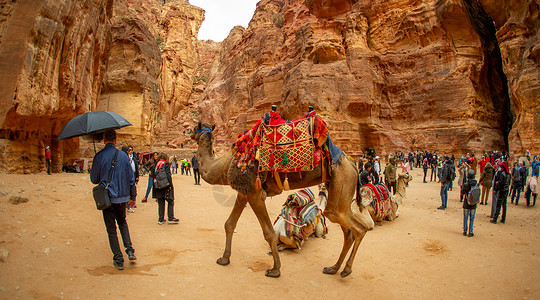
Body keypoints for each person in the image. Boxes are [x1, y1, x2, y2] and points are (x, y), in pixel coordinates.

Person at [90, 129, 136, 270]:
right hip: (122, 198)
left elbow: (94, 179)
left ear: (104, 140)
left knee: (111, 229)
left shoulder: (99, 156)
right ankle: (129, 250)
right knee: (122, 222)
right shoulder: (123, 156)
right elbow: (131, 178)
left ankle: (118, 259)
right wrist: (132, 196)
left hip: (107, 199)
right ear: (115, 140)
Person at [153, 153, 179, 224]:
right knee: (170, 201)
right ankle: (170, 218)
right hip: (166, 186)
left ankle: (160, 219)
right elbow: (168, 175)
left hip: (158, 186)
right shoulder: (165, 164)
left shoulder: (156, 164)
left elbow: (153, 174)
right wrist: (170, 185)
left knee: (161, 202)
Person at [122, 146, 139, 212]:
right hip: (126, 177)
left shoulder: (132, 158)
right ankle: (126, 206)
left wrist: (137, 176)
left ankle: (129, 205)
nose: (130, 151)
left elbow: (136, 168)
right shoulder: (124, 159)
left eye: (131, 150)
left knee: (132, 192)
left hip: (132, 176)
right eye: (129, 150)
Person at [461, 170, 478, 237]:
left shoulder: (466, 184)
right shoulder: (476, 184)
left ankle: (465, 231)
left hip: (466, 203)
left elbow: (462, 192)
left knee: (465, 217)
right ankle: (470, 231)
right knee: (472, 217)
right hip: (474, 203)